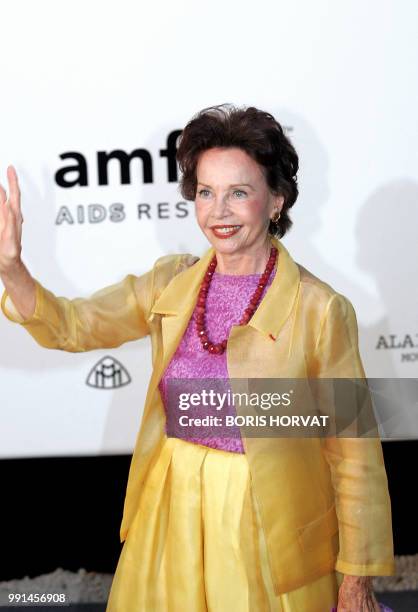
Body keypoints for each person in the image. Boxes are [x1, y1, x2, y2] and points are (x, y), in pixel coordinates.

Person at [0, 104, 395, 612]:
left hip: (264, 533)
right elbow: (74, 325)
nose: (218, 212)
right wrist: (12, 270)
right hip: (171, 517)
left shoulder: (321, 310)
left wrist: (356, 577)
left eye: (238, 193)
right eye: (206, 192)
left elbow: (354, 457)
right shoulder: (172, 281)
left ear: (276, 201)